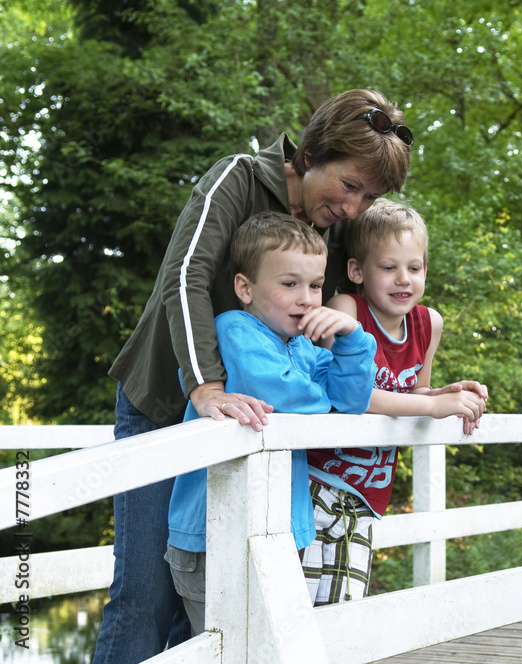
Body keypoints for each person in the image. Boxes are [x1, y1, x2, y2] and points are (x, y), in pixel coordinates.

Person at [95, 89, 411, 663]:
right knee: (146, 596)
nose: (356, 207)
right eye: (350, 186)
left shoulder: (334, 227)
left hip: (249, 432)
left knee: (212, 610)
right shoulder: (236, 178)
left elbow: (350, 317)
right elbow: (186, 275)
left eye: (371, 196)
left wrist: (423, 389)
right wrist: (206, 387)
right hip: (168, 403)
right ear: (311, 153)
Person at [165, 211, 377, 633]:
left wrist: (353, 337)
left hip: (279, 532)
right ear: (244, 287)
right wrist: (326, 397)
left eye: (316, 286)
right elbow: (285, 396)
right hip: (214, 537)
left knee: (270, 646)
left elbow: (352, 400)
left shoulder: (303, 347)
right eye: (289, 284)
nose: (307, 298)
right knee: (226, 650)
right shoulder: (234, 329)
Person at [302, 199, 489, 605]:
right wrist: (431, 407)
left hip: (370, 494)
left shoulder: (428, 324)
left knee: (344, 607)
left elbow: (414, 392)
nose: (403, 279)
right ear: (356, 271)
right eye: (388, 268)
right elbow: (349, 396)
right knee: (296, 603)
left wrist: (442, 395)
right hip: (315, 483)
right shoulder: (346, 311)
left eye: (415, 267)